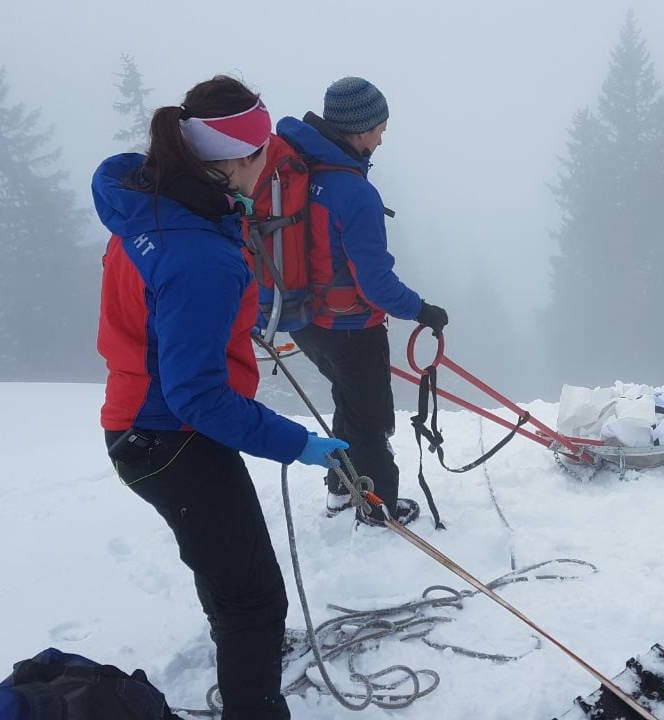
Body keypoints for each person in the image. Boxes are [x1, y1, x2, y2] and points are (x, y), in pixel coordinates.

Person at [94, 75, 348, 720]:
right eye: (264, 154)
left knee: (232, 583)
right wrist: (298, 443)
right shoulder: (197, 252)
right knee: (255, 601)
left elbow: (162, 315)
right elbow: (198, 396)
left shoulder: (149, 205)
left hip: (142, 424)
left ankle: (244, 655)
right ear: (236, 160)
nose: (270, 167)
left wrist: (227, 324)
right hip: (174, 438)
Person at [272, 76, 448, 524]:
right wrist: (422, 310)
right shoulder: (354, 193)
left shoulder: (304, 173)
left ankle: (340, 491)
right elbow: (376, 285)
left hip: (305, 320)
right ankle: (379, 506)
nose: (382, 138)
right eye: (380, 129)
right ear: (359, 130)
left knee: (349, 405)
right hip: (350, 329)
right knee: (370, 420)